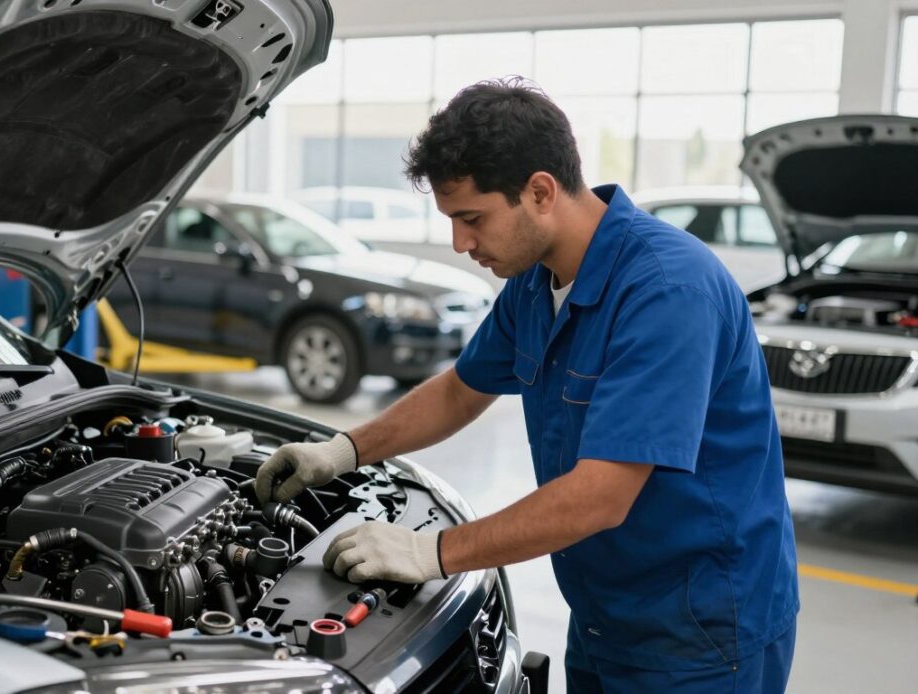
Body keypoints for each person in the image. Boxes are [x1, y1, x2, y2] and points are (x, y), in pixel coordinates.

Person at [254, 78, 799, 692]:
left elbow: (600, 496)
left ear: (540, 191)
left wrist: (428, 552)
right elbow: (462, 390)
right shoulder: (537, 281)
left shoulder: (668, 291)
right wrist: (343, 450)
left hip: (698, 633)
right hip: (604, 615)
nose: (462, 244)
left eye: (472, 218)